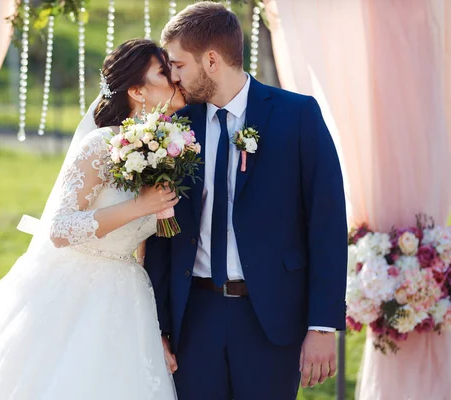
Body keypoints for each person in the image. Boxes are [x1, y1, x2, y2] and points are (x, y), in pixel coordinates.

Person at [0, 38, 186, 400]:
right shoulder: (103, 145)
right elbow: (60, 228)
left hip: (129, 298)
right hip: (74, 294)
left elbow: (142, 244)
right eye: (164, 72)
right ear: (137, 90)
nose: (175, 79)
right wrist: (141, 205)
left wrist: (156, 331)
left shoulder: (162, 147)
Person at [145, 3, 348, 399]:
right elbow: (161, 233)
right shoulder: (175, 128)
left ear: (211, 60)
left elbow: (327, 224)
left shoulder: (298, 116)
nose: (173, 76)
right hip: (194, 317)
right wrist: (159, 327)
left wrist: (322, 326)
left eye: (179, 65)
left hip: (271, 318)